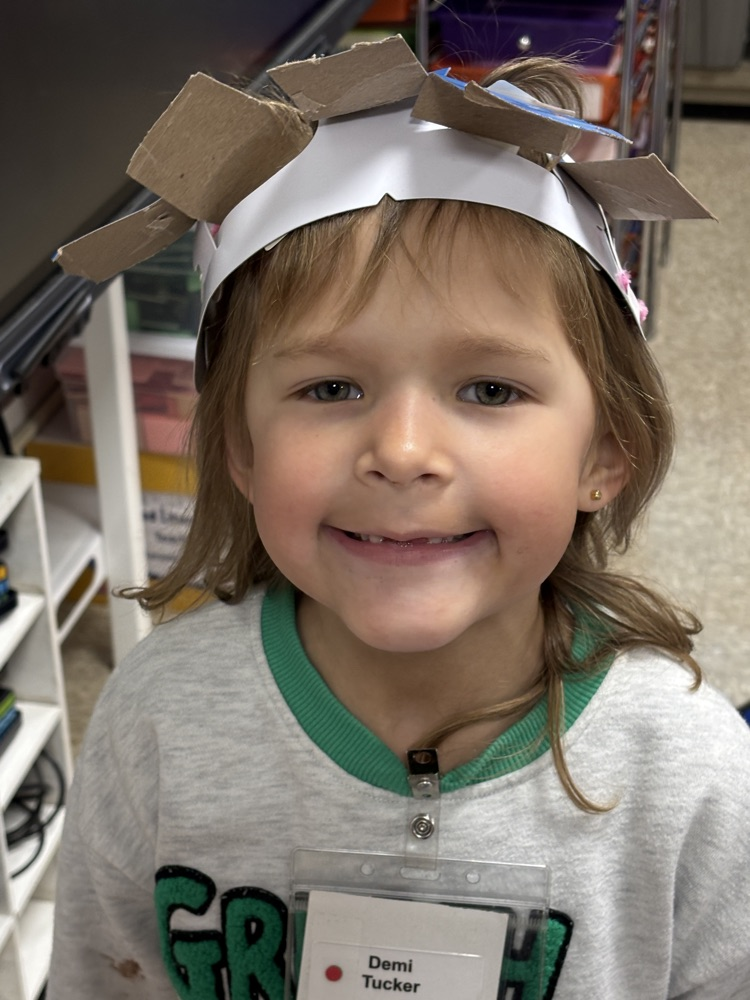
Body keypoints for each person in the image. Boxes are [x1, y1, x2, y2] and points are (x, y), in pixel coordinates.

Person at [48, 49, 750, 1000]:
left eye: (490, 388)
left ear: (607, 451)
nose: (404, 450)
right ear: (241, 451)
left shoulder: (694, 776)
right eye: (329, 387)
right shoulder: (158, 722)